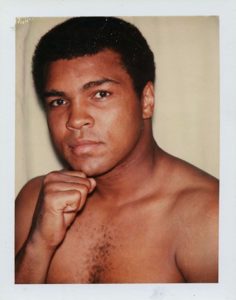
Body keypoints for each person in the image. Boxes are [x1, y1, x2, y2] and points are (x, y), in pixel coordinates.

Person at [15, 17, 218, 284]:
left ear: (146, 101)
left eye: (100, 94)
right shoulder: (35, 202)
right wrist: (38, 245)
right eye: (59, 100)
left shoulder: (210, 218)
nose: (75, 119)